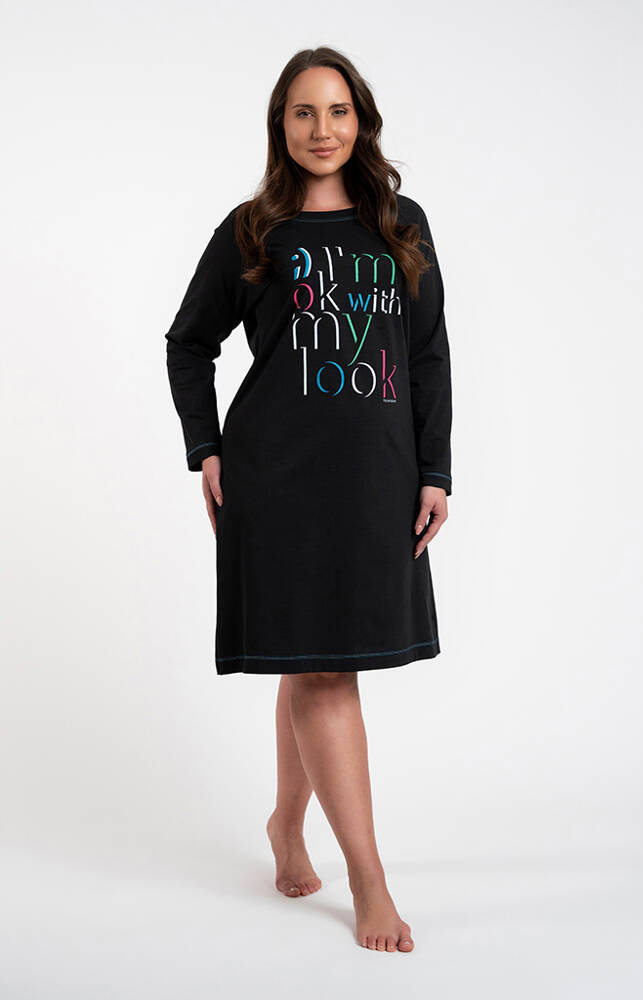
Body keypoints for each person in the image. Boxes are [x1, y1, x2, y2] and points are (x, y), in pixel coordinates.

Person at [164, 46, 453, 953]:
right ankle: (369, 881)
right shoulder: (253, 230)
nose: (321, 129)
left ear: (359, 122)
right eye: (302, 111)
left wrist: (435, 470)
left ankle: (287, 824)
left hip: (375, 479)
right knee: (325, 670)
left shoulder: (399, 224)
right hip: (276, 479)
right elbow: (187, 344)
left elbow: (427, 353)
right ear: (279, 125)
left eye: (336, 111)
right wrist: (206, 449)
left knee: (315, 658)